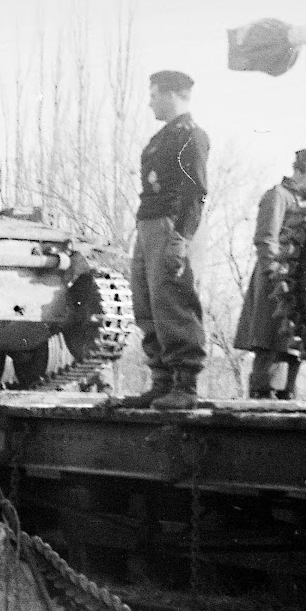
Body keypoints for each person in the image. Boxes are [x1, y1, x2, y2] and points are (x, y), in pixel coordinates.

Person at [119, 69, 211, 411]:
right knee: (147, 304)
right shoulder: (164, 136)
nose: (150, 101)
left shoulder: (191, 135)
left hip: (171, 224)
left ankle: (184, 386)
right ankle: (161, 383)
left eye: (154, 94)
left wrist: (181, 237)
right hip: (149, 225)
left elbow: (196, 192)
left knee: (173, 301)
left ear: (172, 94)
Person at [235, 148, 306, 399]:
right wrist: (274, 273)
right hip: (275, 279)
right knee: (268, 342)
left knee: (292, 347)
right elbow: (266, 238)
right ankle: (262, 395)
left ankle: (287, 394)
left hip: (298, 280)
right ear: (302, 169)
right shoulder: (279, 195)